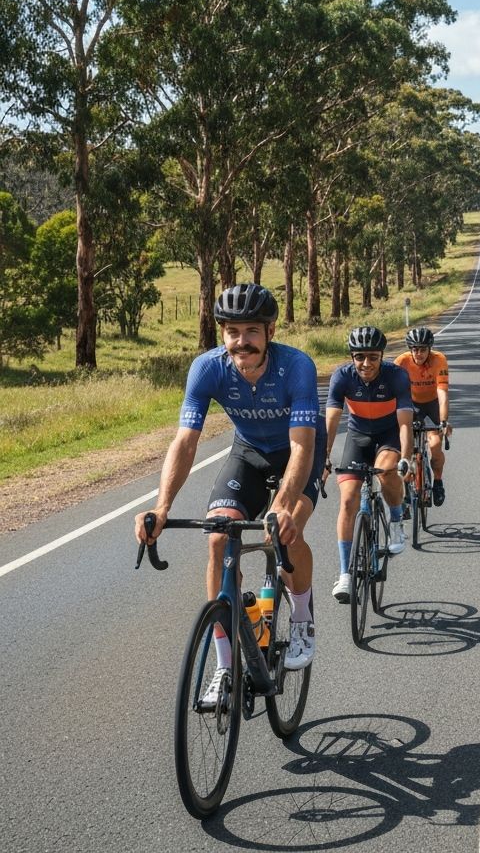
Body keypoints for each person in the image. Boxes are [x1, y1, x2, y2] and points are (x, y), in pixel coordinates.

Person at [134, 283, 326, 706]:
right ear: (222, 333)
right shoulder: (207, 368)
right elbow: (185, 441)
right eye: (233, 331)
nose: (243, 341)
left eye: (252, 331)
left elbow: (302, 446)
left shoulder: (296, 367)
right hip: (249, 452)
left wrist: (281, 507)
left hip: (301, 450)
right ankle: (224, 666)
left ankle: (301, 618)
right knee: (219, 537)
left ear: (270, 331)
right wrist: (161, 506)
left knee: (286, 533)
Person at [325, 326, 414, 603]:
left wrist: (407, 458)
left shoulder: (397, 376)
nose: (366, 363)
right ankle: (345, 574)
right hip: (358, 436)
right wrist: (324, 459)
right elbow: (331, 421)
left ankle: (397, 520)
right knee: (348, 500)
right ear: (352, 357)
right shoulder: (342, 377)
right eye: (360, 357)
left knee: (387, 471)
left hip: (388, 435)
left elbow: (405, 424)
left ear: (381, 356)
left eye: (373, 357)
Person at [394, 326, 452, 506]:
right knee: (406, 448)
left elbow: (442, 394)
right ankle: (405, 493)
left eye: (423, 349)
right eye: (415, 349)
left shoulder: (439, 360)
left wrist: (443, 421)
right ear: (410, 350)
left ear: (430, 349)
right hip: (411, 404)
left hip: (432, 403)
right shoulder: (401, 361)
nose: (419, 354)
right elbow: (393, 392)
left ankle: (438, 481)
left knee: (435, 445)